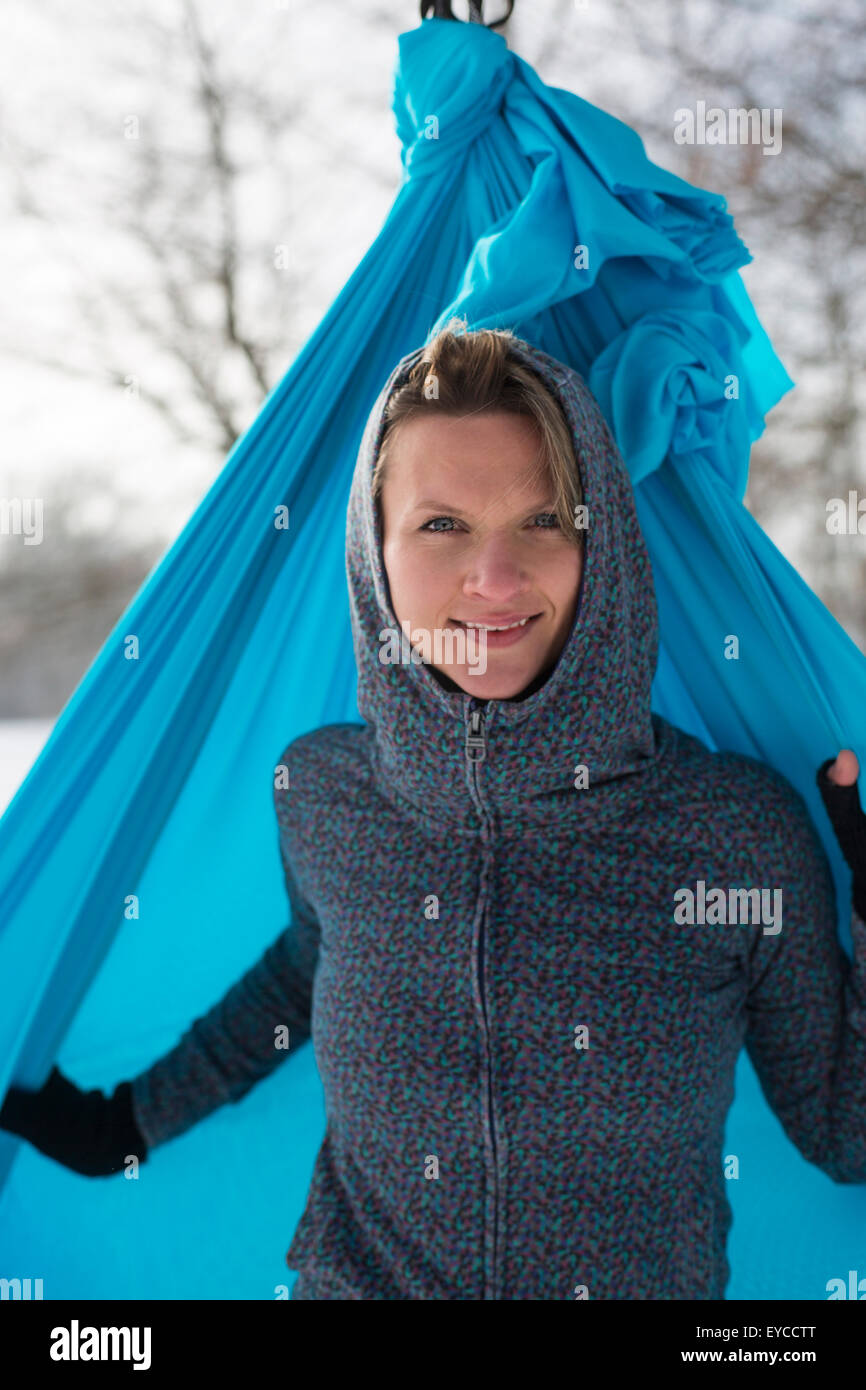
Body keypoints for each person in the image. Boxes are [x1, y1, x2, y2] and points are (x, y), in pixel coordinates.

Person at [3, 322, 866, 1300]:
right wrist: (132, 1120)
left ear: (602, 542)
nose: (492, 581)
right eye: (441, 524)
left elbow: (845, 1134)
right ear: (373, 550)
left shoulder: (729, 832)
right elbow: (306, 970)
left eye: (541, 521)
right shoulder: (324, 792)